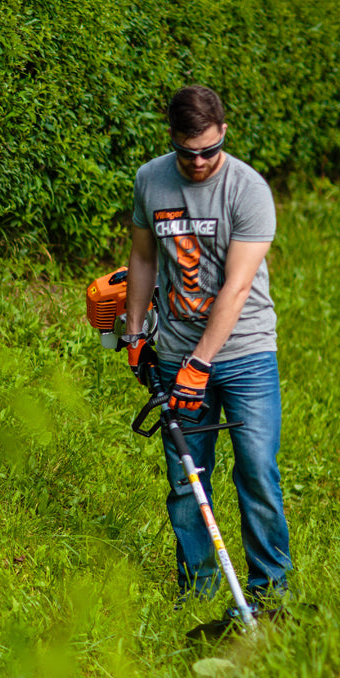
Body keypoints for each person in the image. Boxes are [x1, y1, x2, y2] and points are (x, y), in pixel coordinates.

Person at [120, 84, 291, 611]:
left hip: (246, 354)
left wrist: (200, 363)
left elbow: (237, 288)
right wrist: (134, 333)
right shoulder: (151, 179)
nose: (198, 162)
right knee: (186, 479)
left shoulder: (248, 190)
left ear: (224, 134)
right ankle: (198, 590)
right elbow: (142, 258)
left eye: (209, 150)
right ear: (171, 137)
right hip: (175, 350)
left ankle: (270, 590)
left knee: (256, 471)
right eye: (186, 152)